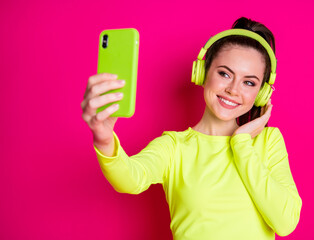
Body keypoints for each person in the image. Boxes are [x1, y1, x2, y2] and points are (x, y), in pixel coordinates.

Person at [81, 17, 302, 240]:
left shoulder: (269, 141)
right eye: (225, 74)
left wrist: (242, 143)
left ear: (261, 94)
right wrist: (104, 139)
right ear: (202, 73)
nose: (234, 90)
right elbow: (130, 179)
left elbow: (285, 222)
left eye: (249, 82)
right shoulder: (174, 147)